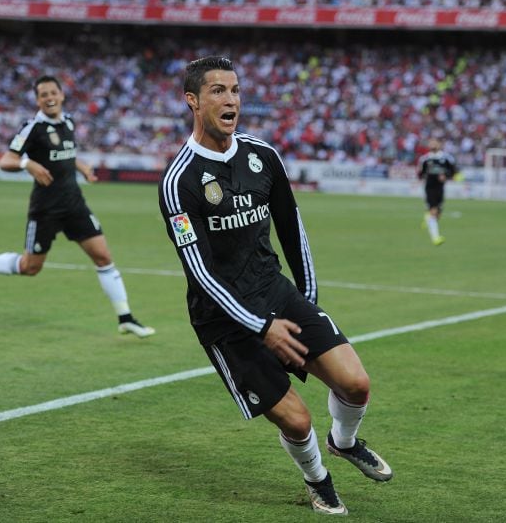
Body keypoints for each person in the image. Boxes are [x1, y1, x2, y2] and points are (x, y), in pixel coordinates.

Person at [158, 56, 392, 516]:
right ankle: (318, 480)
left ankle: (344, 442)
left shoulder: (262, 156)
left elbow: (292, 229)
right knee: (297, 419)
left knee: (357, 385)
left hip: (276, 293)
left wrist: (306, 302)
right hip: (224, 319)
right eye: (218, 91)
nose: (231, 100)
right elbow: (200, 273)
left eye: (236, 90)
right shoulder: (178, 181)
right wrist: (260, 326)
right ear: (193, 101)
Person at [0, 75, 154, 339]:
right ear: (37, 100)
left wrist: (82, 167)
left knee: (103, 257)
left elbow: (67, 156)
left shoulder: (68, 121)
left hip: (74, 205)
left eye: (53, 93)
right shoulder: (32, 128)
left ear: (61, 95)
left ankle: (125, 318)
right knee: (30, 267)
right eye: (43, 95)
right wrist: (28, 164)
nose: (49, 98)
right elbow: (6, 161)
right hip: (45, 209)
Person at [417, 138, 458, 246]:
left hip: (440, 188)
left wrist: (446, 176)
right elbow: (420, 174)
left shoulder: (446, 158)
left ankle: (427, 218)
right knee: (434, 211)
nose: (432, 144)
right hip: (429, 187)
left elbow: (454, 171)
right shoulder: (425, 159)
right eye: (430, 142)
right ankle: (435, 238)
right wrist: (423, 175)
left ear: (439, 144)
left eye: (434, 143)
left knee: (438, 213)